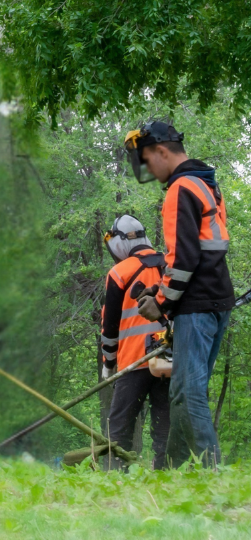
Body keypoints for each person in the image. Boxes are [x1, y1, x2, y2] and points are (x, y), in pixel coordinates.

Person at [124, 121, 234, 467]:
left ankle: (212, 474)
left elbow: (184, 259)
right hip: (215, 296)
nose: (148, 170)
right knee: (181, 393)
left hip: (198, 305)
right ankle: (171, 471)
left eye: (147, 160)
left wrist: (160, 301)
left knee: (187, 393)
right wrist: (162, 287)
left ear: (162, 151)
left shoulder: (179, 190)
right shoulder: (205, 184)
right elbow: (199, 254)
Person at [101, 215, 170, 470]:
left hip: (133, 363)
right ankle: (168, 474)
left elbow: (109, 329)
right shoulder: (170, 265)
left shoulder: (119, 271)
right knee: (166, 426)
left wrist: (108, 363)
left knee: (119, 428)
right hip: (168, 358)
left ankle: (115, 476)